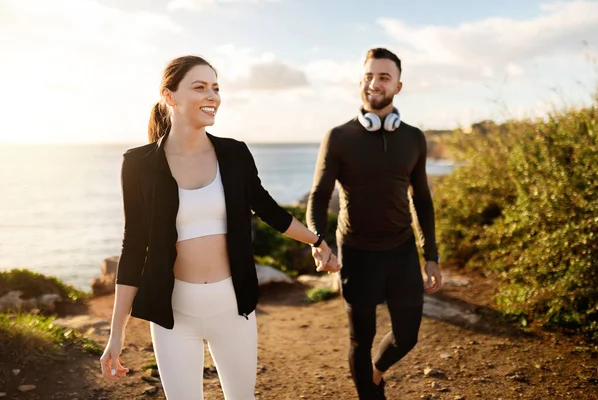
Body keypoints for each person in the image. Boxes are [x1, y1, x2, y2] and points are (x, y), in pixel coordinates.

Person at [99, 55, 339, 400]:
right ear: (170, 96)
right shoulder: (138, 164)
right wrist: (117, 333)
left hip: (232, 307)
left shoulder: (235, 154)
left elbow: (268, 208)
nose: (212, 96)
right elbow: (134, 246)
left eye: (215, 88)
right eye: (200, 87)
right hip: (174, 314)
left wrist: (316, 240)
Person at [306, 47, 443, 400]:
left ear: (398, 86)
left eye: (383, 77)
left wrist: (431, 255)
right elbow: (319, 197)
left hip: (400, 249)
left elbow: (422, 198)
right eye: (368, 76)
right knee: (360, 339)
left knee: (407, 335)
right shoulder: (338, 137)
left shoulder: (414, 138)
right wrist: (319, 242)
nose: (374, 83)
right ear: (360, 82)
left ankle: (375, 374)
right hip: (357, 253)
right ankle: (370, 395)